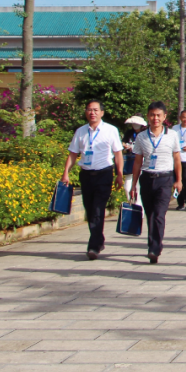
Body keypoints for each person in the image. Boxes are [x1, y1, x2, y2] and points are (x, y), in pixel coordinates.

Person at [63, 100, 124, 260]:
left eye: (96, 110)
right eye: (89, 110)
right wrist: (66, 173)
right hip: (86, 174)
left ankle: (94, 246)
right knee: (89, 210)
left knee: (98, 209)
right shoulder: (81, 132)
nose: (93, 113)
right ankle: (99, 238)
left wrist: (119, 174)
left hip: (104, 173)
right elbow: (73, 154)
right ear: (86, 112)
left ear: (102, 113)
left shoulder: (111, 130)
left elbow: (118, 153)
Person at [130, 101, 183, 264]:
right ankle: (152, 244)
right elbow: (138, 162)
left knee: (160, 214)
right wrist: (133, 184)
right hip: (147, 178)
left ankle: (155, 247)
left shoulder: (172, 135)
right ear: (148, 117)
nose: (155, 118)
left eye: (158, 115)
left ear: (164, 117)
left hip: (165, 179)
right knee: (150, 214)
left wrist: (178, 180)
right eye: (152, 115)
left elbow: (177, 158)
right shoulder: (141, 137)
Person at [121, 115, 146, 201]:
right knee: (127, 187)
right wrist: (125, 146)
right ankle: (130, 201)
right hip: (130, 160)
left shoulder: (145, 133)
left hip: (141, 160)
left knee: (138, 186)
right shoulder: (129, 133)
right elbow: (123, 142)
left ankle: (139, 207)